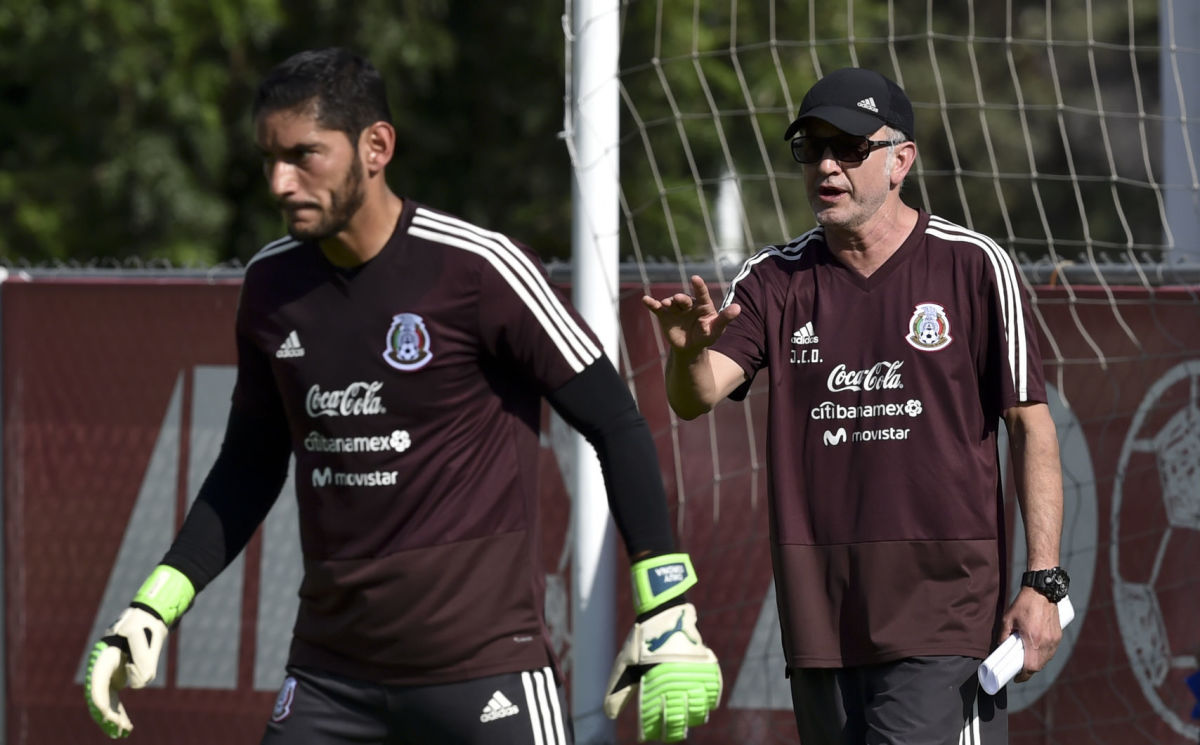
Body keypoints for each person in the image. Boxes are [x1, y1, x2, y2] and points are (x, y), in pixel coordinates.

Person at [84, 47, 721, 745]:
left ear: (376, 146)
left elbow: (616, 421)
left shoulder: (480, 268)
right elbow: (248, 465)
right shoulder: (270, 287)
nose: (279, 181)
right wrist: (154, 605)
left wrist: (666, 607)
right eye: (269, 158)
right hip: (329, 679)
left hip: (488, 675)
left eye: (304, 155)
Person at [643, 67, 1066, 744]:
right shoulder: (773, 279)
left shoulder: (975, 267)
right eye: (811, 148)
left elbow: (1030, 424)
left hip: (943, 614)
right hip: (821, 620)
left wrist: (1044, 580)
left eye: (848, 147)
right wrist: (687, 352)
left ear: (901, 160)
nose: (827, 165)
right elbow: (696, 396)